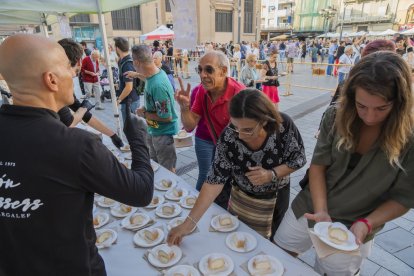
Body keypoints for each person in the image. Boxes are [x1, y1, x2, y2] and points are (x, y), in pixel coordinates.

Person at [0, 34, 154, 276]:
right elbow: (141, 190)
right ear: (51, 79)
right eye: (67, 67)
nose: (74, 74)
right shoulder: (76, 146)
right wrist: (138, 139)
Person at [274, 51, 414, 275]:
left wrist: (367, 224)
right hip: (311, 205)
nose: (369, 117)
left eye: (381, 108)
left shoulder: (410, 138)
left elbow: (404, 197)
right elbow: (318, 166)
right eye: (361, 106)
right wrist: (321, 212)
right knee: (278, 254)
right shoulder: (335, 116)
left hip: (357, 222)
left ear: (399, 103)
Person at [168, 89, 306, 243]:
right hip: (241, 198)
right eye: (235, 127)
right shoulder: (229, 136)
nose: (239, 136)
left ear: (264, 121)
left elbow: (299, 158)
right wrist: (188, 224)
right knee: (238, 238)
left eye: (247, 129)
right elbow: (214, 180)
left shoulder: (283, 125)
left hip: (275, 197)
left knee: (271, 242)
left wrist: (271, 174)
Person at [176, 50, 245, 208]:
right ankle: (199, 209)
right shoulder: (201, 91)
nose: (202, 75)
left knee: (230, 185)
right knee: (207, 177)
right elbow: (190, 126)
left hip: (235, 149)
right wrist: (185, 108)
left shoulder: (239, 94)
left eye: (208, 69)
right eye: (199, 70)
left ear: (223, 71)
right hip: (209, 140)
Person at [57, 38, 124, 148]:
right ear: (79, 61)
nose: (74, 76)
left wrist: (112, 135)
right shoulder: (60, 84)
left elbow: (85, 115)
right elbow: (69, 122)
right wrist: (84, 108)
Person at [132, 45, 179, 172]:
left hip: (163, 135)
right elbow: (147, 78)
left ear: (137, 62)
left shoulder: (158, 85)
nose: (133, 65)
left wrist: (144, 113)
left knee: (167, 171)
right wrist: (136, 74)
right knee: (155, 167)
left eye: (133, 63)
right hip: (154, 131)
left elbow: (167, 117)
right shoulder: (153, 74)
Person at [114, 37, 140, 122]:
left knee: (131, 130)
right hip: (131, 100)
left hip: (129, 102)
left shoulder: (127, 64)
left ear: (117, 48)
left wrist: (119, 99)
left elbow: (129, 87)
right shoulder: (125, 61)